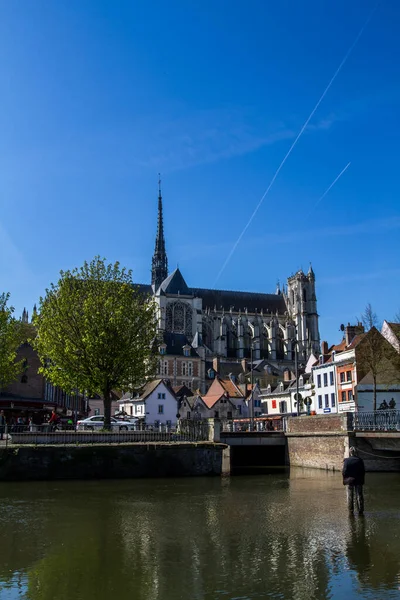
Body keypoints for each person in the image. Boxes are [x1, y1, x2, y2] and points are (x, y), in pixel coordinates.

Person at [343, 447, 365, 515]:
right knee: (359, 495)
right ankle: (360, 510)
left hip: (350, 480)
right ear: (356, 452)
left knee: (350, 496)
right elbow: (363, 471)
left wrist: (345, 478)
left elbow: (344, 471)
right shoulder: (360, 460)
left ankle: (351, 510)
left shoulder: (346, 461)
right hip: (358, 480)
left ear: (350, 452)